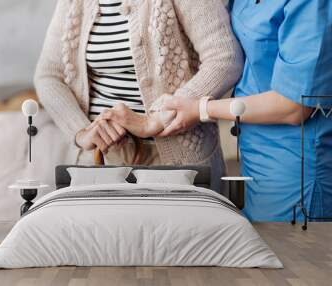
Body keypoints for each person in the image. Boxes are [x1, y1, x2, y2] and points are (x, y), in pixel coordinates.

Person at [34, 0, 243, 192]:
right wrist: (81, 131)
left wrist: (157, 118)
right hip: (101, 159)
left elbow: (225, 58)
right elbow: (49, 75)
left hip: (177, 160)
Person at [151, 0, 332, 221]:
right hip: (254, 155)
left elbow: (293, 106)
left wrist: (202, 108)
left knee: (292, 249)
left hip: (296, 162)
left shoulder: (312, 4)